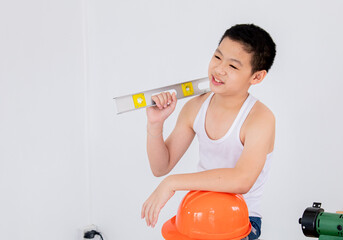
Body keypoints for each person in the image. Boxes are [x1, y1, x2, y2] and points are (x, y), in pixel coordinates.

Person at [141, 24, 276, 240]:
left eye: (233, 66)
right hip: (197, 214)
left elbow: (242, 180)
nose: (219, 69)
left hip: (240, 218)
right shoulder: (196, 107)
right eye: (217, 57)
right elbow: (160, 166)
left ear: (256, 77)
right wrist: (155, 125)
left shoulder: (260, 118)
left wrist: (172, 183)